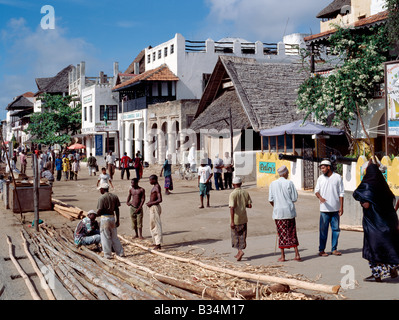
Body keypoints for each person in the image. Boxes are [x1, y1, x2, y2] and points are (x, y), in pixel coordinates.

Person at [353, 160, 399, 282]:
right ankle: (392, 270)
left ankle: (377, 275)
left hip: (374, 226)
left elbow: (359, 197)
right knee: (389, 248)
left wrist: (363, 200)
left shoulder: (367, 186)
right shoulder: (384, 187)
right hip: (388, 225)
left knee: (373, 250)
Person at [268, 165, 301, 262]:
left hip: (278, 213)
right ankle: (297, 254)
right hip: (289, 211)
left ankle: (283, 256)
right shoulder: (289, 183)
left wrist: (277, 206)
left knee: (281, 234)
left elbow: (270, 200)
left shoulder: (273, 184)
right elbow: (294, 198)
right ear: (285, 173)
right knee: (292, 232)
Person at [315, 160, 345, 257]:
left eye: (323, 167)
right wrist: (320, 198)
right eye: (321, 168)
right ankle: (321, 250)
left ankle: (334, 249)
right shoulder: (320, 178)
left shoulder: (337, 177)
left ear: (329, 167)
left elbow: (341, 193)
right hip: (324, 210)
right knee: (323, 230)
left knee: (336, 230)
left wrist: (341, 207)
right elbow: (316, 191)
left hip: (335, 209)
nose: (322, 169)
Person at [96, 183, 124, 259]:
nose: (100, 191)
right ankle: (120, 252)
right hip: (112, 218)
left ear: (102, 189)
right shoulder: (114, 196)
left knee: (105, 237)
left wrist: (95, 215)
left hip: (105, 218)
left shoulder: (101, 198)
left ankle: (107, 255)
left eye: (100, 189)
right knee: (114, 237)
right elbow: (117, 209)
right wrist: (118, 220)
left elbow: (100, 210)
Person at [229, 176, 252, 261]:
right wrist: (243, 205)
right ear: (241, 184)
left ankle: (240, 251)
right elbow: (249, 205)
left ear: (233, 184)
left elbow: (232, 208)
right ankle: (239, 252)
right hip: (244, 218)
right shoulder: (245, 192)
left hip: (236, 219)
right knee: (242, 235)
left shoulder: (232, 194)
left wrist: (232, 221)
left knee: (236, 236)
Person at [147, 175, 163, 250]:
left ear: (154, 180)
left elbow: (160, 199)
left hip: (155, 207)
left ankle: (158, 243)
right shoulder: (155, 186)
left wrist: (151, 203)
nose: (149, 181)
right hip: (153, 207)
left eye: (150, 180)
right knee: (152, 225)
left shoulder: (157, 187)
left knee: (156, 225)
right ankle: (155, 241)